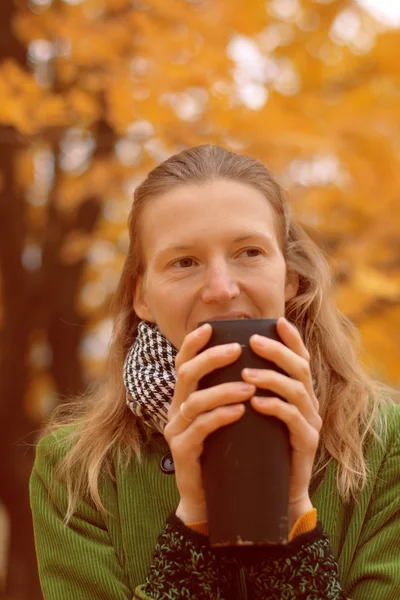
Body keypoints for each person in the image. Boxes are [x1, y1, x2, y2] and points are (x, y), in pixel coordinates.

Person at [30, 144, 400, 600]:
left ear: (289, 278)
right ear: (141, 295)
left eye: (249, 252)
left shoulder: (386, 445)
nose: (222, 289)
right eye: (184, 262)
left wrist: (291, 511)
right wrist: (196, 518)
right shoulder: (74, 471)